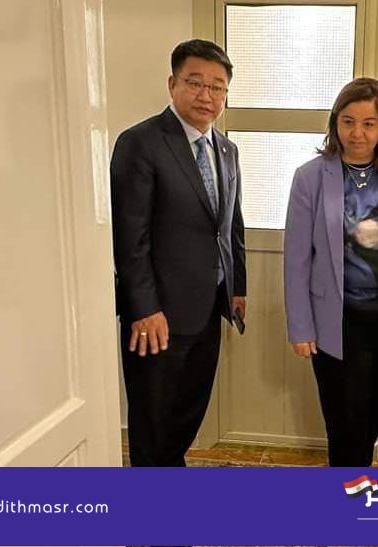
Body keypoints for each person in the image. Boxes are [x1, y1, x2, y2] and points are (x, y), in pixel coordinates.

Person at [110, 39, 246, 467]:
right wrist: (144, 308)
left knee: (188, 412)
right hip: (158, 316)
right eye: (195, 82)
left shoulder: (227, 150)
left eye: (217, 87)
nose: (207, 95)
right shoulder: (141, 143)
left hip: (208, 309)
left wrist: (236, 287)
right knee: (152, 422)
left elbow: (231, 225)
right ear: (173, 84)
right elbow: (130, 237)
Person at [284, 77, 378, 467]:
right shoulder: (311, 177)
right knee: (346, 425)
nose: (357, 133)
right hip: (339, 321)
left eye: (368, 123)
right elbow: (296, 258)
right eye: (348, 121)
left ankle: (354, 484)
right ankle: (352, 494)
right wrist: (301, 327)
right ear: (335, 123)